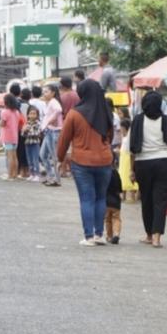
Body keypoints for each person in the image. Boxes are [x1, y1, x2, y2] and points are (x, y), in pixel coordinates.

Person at [57, 79, 114, 246]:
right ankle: (99, 234)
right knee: (101, 197)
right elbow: (109, 137)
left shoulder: (74, 114)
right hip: (104, 161)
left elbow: (64, 139)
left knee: (87, 199)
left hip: (81, 162)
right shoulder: (106, 112)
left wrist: (60, 158)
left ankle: (89, 236)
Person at [129, 91, 167, 248]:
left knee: (147, 199)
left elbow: (131, 147)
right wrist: (163, 151)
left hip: (143, 163)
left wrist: (131, 169)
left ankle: (149, 234)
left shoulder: (137, 120)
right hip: (164, 162)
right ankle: (157, 237)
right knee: (161, 200)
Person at [40, 84, 64, 186]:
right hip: (49, 131)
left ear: (53, 93)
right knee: (43, 155)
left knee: (54, 157)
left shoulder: (54, 102)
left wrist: (50, 121)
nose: (44, 94)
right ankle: (50, 176)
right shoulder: (49, 102)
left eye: (46, 91)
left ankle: (56, 179)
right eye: (44, 92)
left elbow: (59, 110)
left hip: (54, 132)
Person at [0, 94, 24, 181]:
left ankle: (9, 175)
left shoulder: (4, 112)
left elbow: (3, 124)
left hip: (7, 136)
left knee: (9, 156)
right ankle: (15, 174)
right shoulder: (16, 112)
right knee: (14, 156)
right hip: (15, 136)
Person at [117, 118, 138, 202]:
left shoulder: (129, 138)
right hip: (123, 160)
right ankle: (124, 195)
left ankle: (132, 196)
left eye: (121, 127)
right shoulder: (125, 137)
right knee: (122, 177)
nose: (120, 129)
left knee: (128, 177)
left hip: (127, 160)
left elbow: (128, 150)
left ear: (125, 128)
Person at [23, 106, 43, 182]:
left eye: (34, 113)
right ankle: (32, 174)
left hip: (35, 143)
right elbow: (23, 134)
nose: (32, 115)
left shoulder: (38, 123)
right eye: (31, 113)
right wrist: (24, 131)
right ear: (28, 115)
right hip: (27, 143)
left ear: (37, 115)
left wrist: (27, 130)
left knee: (35, 159)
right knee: (29, 159)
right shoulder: (26, 123)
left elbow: (37, 133)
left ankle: (37, 174)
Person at [105, 161, 122, 245]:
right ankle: (116, 235)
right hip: (116, 201)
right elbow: (120, 186)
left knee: (108, 220)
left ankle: (109, 236)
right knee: (116, 219)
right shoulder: (115, 172)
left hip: (105, 201)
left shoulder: (102, 172)